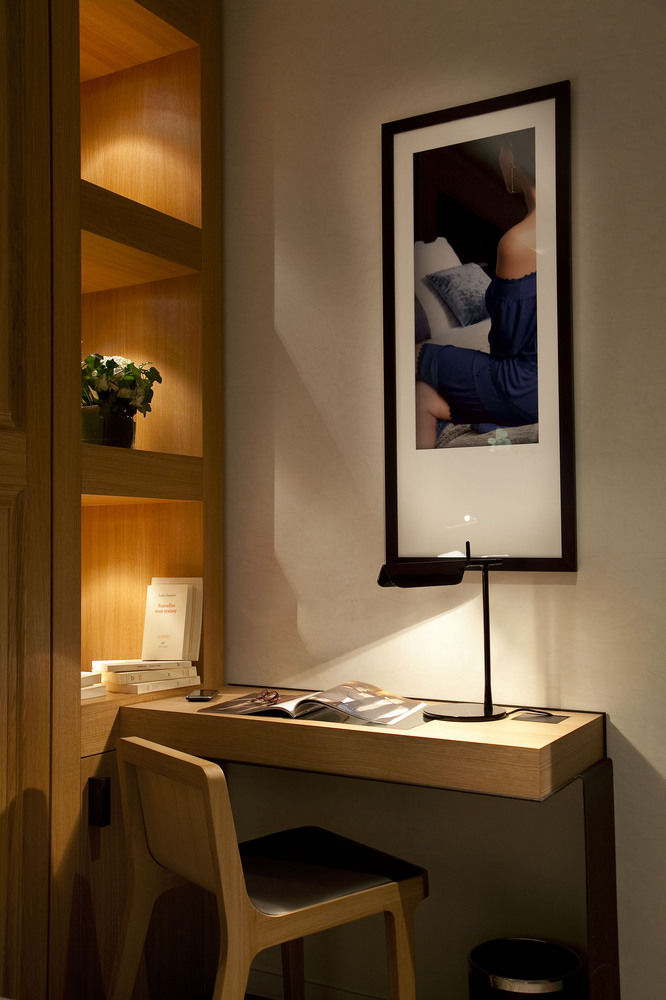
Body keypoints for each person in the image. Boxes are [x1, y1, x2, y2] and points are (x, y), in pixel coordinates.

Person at [415, 139, 538, 449]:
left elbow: (506, 347)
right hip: (551, 380)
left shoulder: (517, 243)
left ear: (511, 158)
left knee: (415, 359)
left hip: (524, 385)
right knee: (424, 391)